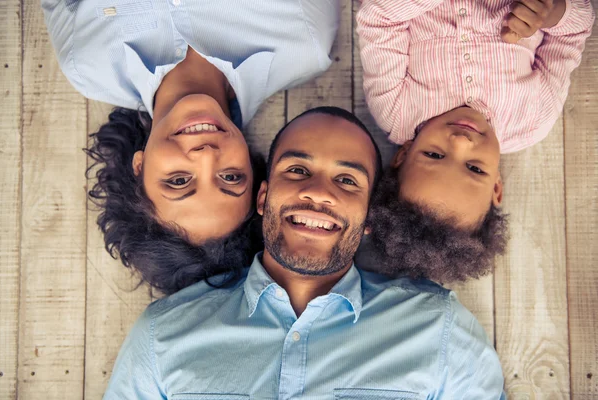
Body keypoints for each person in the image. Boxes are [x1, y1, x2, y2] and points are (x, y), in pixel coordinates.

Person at [103, 107, 506, 399]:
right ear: (263, 196)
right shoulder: (162, 337)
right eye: (297, 170)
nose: (318, 193)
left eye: (347, 180)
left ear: (369, 217)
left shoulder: (438, 330)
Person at [42, 0, 341, 294]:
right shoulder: (304, 39)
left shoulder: (85, 62)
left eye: (179, 181)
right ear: (251, 166)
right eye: (231, 177)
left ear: (139, 167)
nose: (207, 156)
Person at [355, 0, 593, 280]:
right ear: (496, 186)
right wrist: (552, 14)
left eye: (433, 155)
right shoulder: (532, 120)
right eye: (475, 168)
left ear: (403, 154)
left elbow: (378, 17)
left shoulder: (396, 111)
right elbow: (576, 27)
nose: (461, 142)